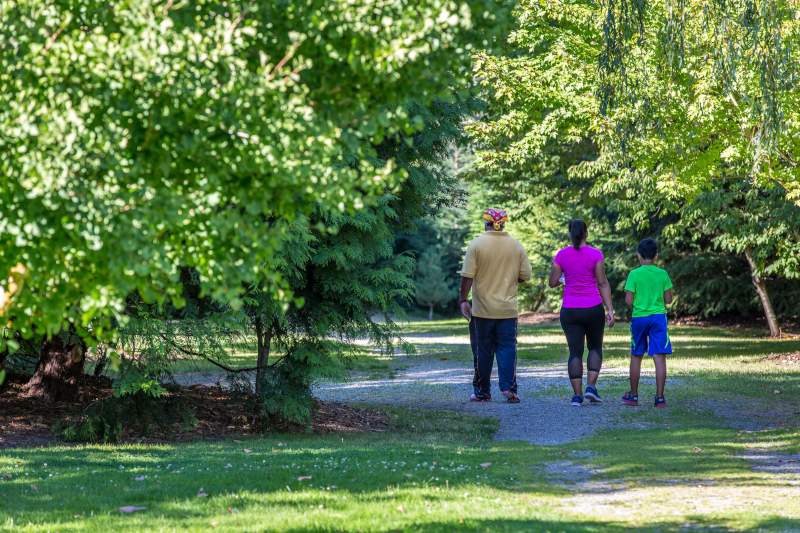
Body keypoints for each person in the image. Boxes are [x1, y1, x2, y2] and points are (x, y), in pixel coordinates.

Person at [459, 208, 532, 403]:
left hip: (482, 310)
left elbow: (467, 276)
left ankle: (482, 391)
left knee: (482, 350)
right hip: (507, 310)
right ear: (504, 224)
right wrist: (508, 278)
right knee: (507, 348)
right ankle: (509, 388)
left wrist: (463, 299)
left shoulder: (476, 245)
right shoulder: (516, 246)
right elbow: (525, 275)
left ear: (486, 223)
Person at [548, 219, 614, 406]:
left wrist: (562, 276)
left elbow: (552, 282)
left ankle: (577, 396)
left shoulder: (561, 255)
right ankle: (591, 388)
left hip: (570, 310)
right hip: (593, 308)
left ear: (570, 234)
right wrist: (610, 309)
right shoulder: (596, 254)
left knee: (575, 352)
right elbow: (602, 283)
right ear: (586, 233)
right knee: (594, 347)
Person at [622, 238, 673, 408]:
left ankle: (633, 396)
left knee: (636, 355)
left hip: (639, 318)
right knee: (659, 356)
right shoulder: (663, 274)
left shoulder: (634, 274)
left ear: (638, 255)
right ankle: (659, 398)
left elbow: (629, 301)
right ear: (656, 255)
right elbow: (668, 300)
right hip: (658, 318)